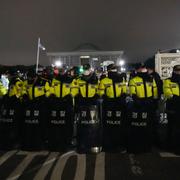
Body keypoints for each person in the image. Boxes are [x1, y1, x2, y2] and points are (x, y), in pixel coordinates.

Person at [163, 65, 180, 152]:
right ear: (174, 71)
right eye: (177, 70)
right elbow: (167, 92)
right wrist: (174, 97)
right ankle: (171, 146)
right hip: (173, 107)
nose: (178, 72)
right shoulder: (168, 81)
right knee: (172, 128)